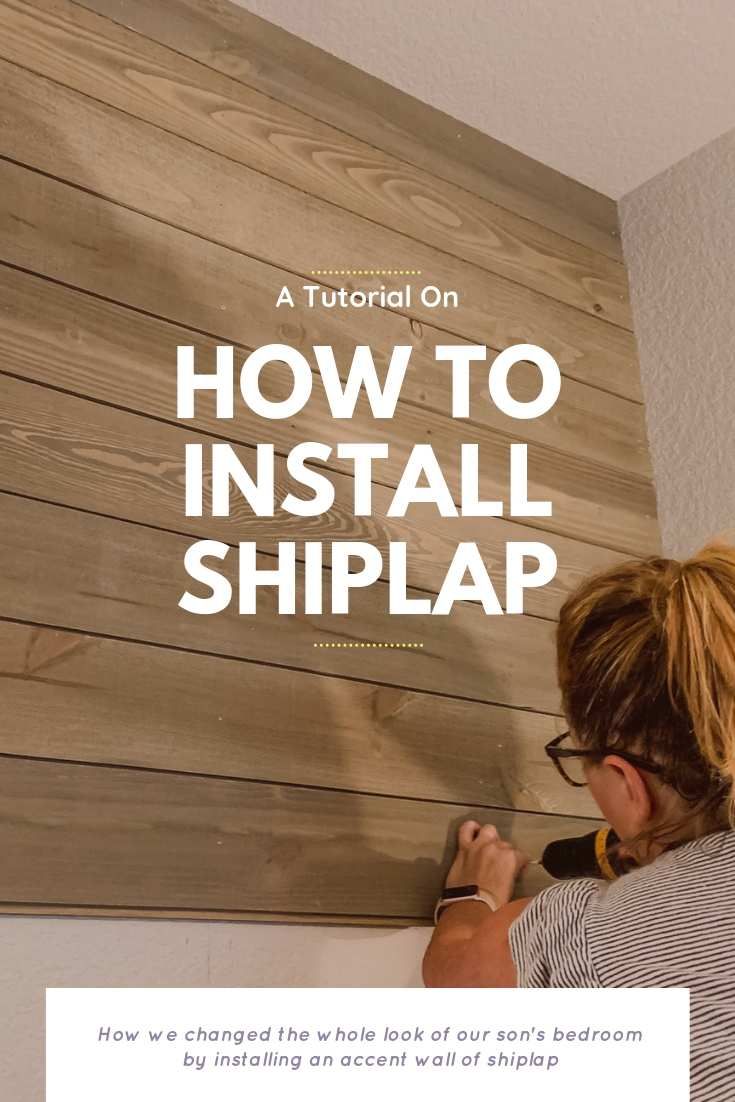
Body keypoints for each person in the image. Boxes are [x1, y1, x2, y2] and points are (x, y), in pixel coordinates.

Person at [423, 543, 735, 1101]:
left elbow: (456, 977)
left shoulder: (598, 939)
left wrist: (473, 896)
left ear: (627, 783)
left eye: (578, 755)